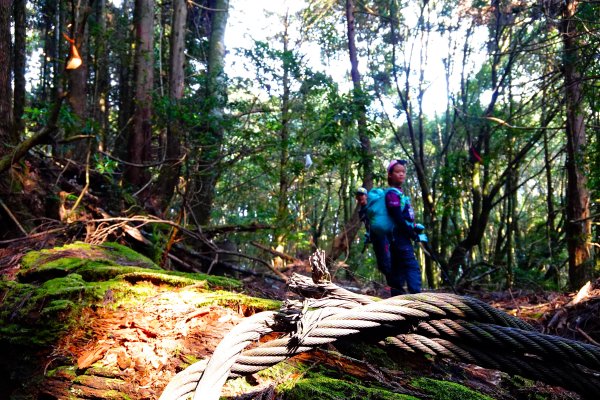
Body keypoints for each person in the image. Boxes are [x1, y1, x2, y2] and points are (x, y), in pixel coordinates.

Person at [370, 159, 426, 296]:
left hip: (397, 237)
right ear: (390, 174)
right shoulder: (391, 194)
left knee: (397, 268)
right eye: (397, 172)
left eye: (403, 172)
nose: (401, 174)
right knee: (411, 266)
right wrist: (411, 234)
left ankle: (397, 298)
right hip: (399, 237)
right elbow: (396, 216)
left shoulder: (399, 193)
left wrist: (413, 228)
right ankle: (417, 298)